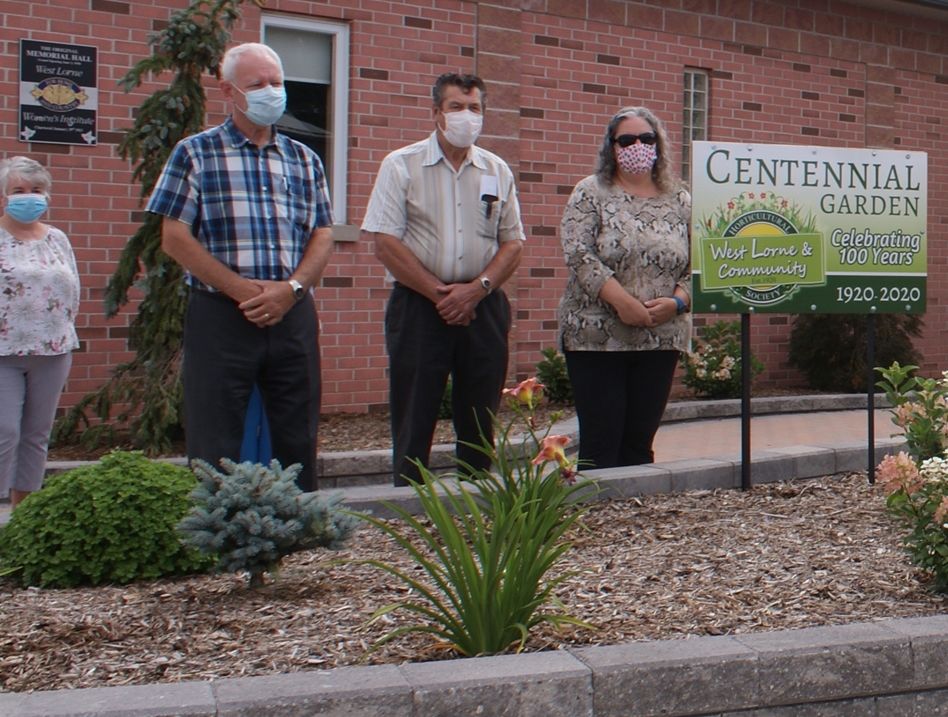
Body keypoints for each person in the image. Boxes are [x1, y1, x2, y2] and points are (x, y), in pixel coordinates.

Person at [149, 42, 334, 491]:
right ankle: (218, 540)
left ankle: (297, 532)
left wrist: (290, 291)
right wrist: (243, 292)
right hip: (221, 315)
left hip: (291, 313)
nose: (270, 92)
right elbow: (174, 238)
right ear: (227, 89)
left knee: (297, 431)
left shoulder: (304, 159)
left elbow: (323, 234)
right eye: (258, 84)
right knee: (216, 435)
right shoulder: (195, 153)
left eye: (277, 83)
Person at [364, 73, 525, 485]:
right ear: (436, 112)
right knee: (414, 413)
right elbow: (385, 241)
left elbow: (512, 244)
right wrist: (441, 295)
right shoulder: (401, 165)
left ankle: (476, 498)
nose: (466, 117)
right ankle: (410, 503)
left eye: (475, 108)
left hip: (483, 305)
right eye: (456, 107)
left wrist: (475, 291)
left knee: (480, 415)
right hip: (419, 306)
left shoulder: (496, 169)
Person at [559, 106, 691, 470]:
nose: (638, 146)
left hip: (660, 338)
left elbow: (701, 265)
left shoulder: (680, 199)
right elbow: (578, 253)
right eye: (627, 139)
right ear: (612, 147)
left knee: (638, 448)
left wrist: (678, 304)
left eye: (646, 138)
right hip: (596, 336)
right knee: (600, 448)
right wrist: (622, 302)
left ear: (659, 144)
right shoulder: (590, 193)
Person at [0, 157, 79, 506]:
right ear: (4, 195)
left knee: (36, 435)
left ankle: (24, 516)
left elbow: (71, 288)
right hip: (4, 352)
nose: (28, 197)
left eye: (36, 190)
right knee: (5, 432)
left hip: (53, 349)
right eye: (18, 190)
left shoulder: (58, 239)